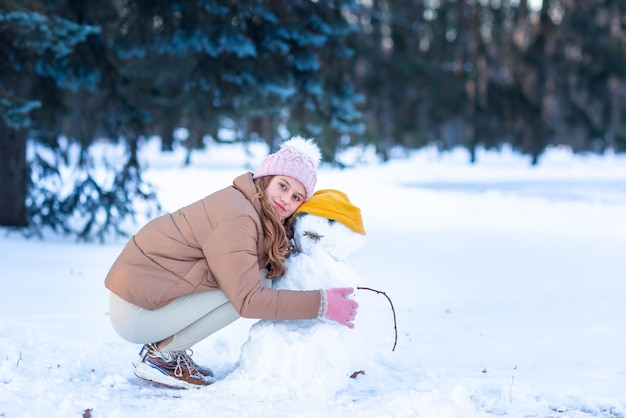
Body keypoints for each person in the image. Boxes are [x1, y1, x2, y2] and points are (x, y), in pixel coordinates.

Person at [104, 136, 359, 389]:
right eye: (283, 186)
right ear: (266, 178)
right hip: (133, 311)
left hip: (144, 297)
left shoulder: (251, 209)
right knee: (253, 287)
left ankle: (166, 352)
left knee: (256, 279)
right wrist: (322, 304)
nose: (286, 200)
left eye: (296, 197)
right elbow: (249, 301)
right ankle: (162, 357)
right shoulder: (239, 217)